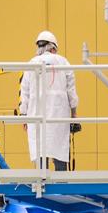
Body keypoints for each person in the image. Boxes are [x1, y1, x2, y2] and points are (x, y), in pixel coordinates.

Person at [18, 30, 78, 171]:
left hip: (36, 116)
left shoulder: (31, 64)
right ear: (53, 47)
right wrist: (74, 114)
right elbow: (71, 92)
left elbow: (24, 93)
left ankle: (42, 181)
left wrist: (24, 116)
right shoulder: (63, 62)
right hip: (59, 117)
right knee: (60, 153)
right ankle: (61, 182)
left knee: (40, 155)